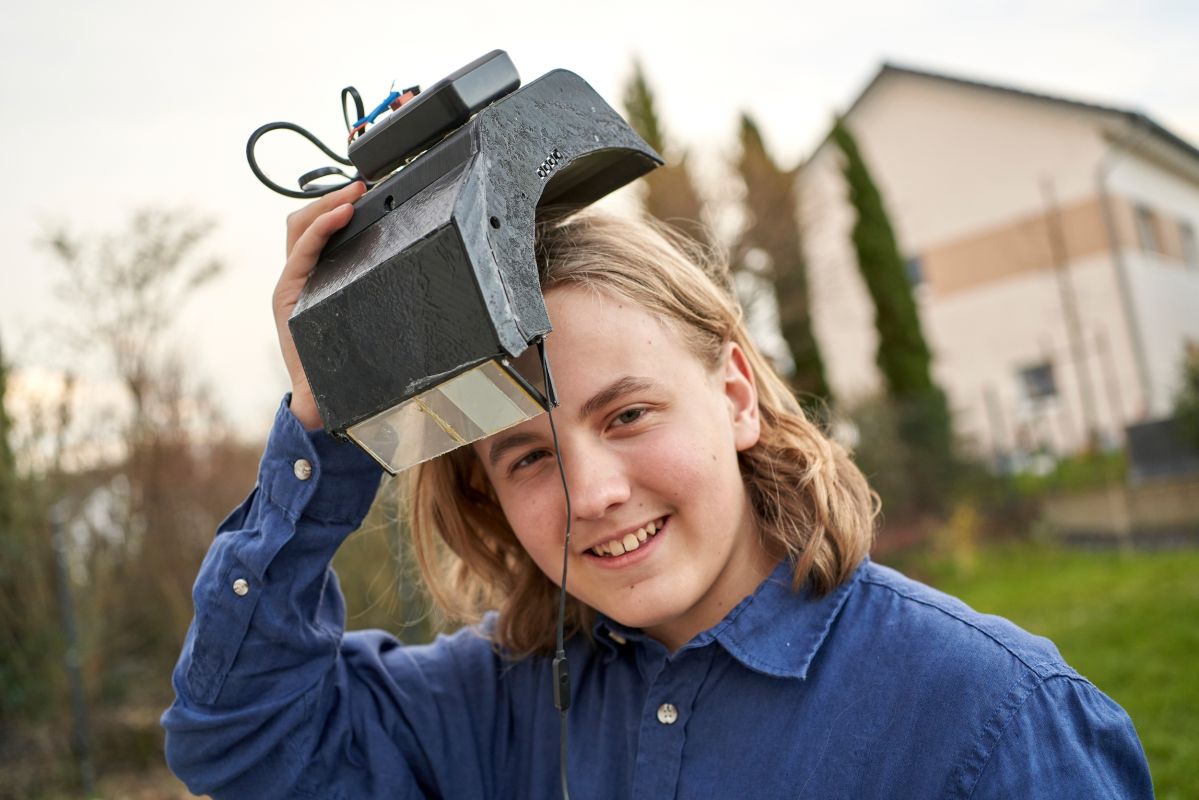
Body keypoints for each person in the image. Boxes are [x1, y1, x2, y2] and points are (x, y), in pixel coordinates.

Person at [162, 180, 1153, 799]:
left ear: (731, 396)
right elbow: (236, 738)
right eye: (527, 455)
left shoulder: (989, 718)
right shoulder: (488, 706)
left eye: (627, 412)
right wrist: (326, 421)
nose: (592, 491)